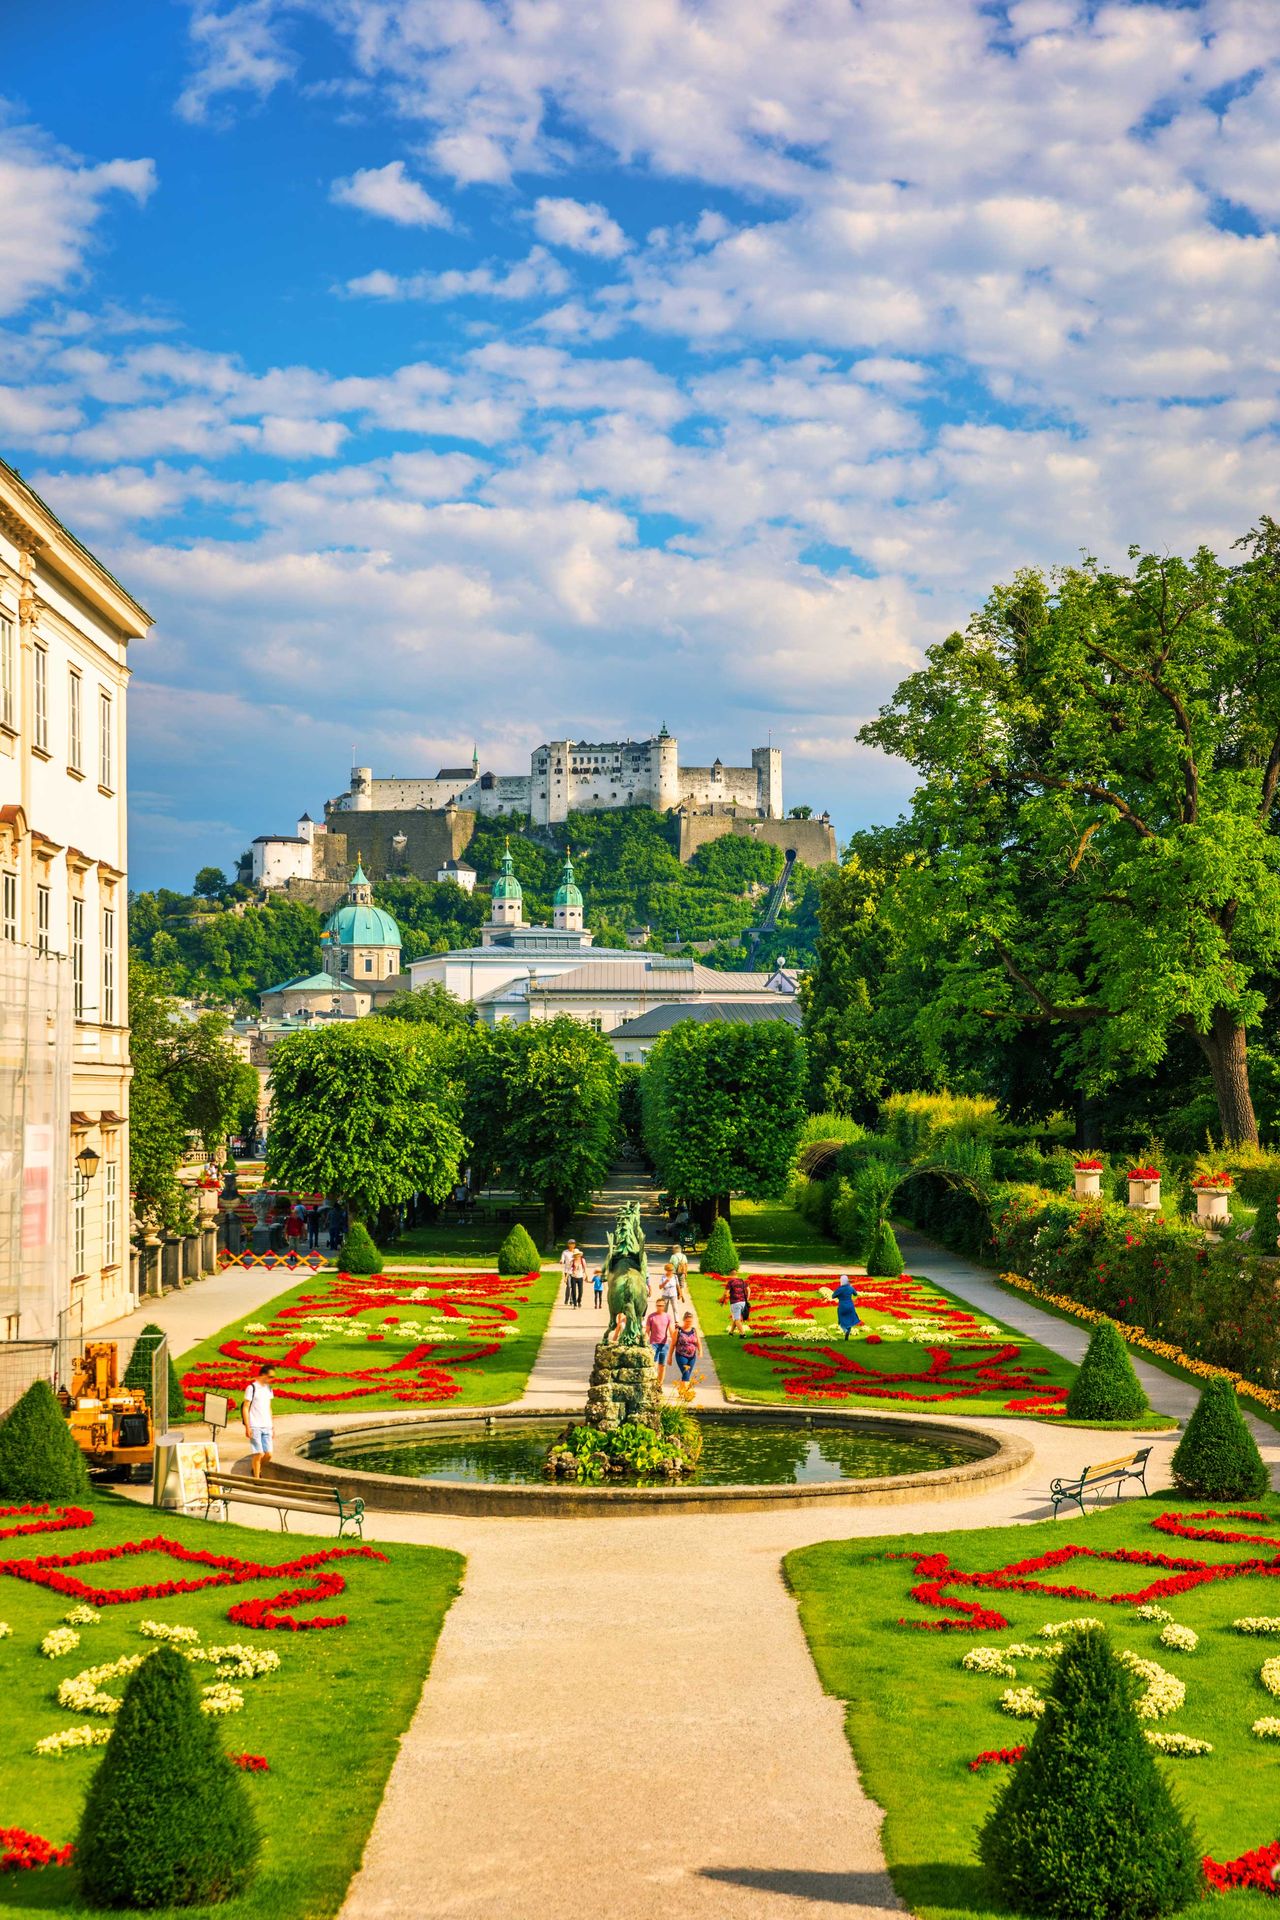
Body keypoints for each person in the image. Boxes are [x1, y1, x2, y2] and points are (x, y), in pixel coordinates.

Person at [242, 1363, 277, 1480]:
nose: (273, 1379)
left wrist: (272, 1426)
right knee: (259, 1453)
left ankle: (256, 1467)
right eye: (270, 1376)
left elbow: (269, 1408)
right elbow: (245, 1407)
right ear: (263, 1375)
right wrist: (248, 1427)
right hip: (255, 1426)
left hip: (266, 1425)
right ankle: (257, 1479)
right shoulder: (251, 1388)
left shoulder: (269, 1389)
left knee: (269, 1454)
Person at [646, 1299, 673, 1379]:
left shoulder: (668, 1317)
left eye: (661, 1306)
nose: (659, 1307)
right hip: (654, 1344)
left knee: (662, 1366)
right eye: (658, 1305)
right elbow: (647, 1331)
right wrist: (644, 1340)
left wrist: (675, 1340)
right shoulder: (651, 1317)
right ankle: (653, 1383)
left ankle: (660, 1385)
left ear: (664, 1306)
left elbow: (671, 1330)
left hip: (664, 1345)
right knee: (653, 1365)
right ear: (656, 1306)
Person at [673, 1313, 701, 1384]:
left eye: (690, 1322)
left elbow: (698, 1341)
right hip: (681, 1355)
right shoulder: (678, 1331)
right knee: (686, 1373)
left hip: (692, 1356)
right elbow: (673, 1344)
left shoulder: (694, 1330)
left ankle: (682, 1392)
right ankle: (685, 1393)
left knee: (686, 1375)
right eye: (687, 1321)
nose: (689, 1323)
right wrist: (669, 1357)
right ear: (683, 1320)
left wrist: (700, 1351)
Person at [720, 1270, 750, 1334]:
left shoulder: (731, 1282)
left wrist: (722, 1300)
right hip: (743, 1302)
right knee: (736, 1317)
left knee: (737, 1319)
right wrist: (747, 1298)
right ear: (737, 1274)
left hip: (735, 1302)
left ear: (730, 1275)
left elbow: (726, 1294)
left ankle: (742, 1334)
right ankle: (731, 1332)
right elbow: (748, 1289)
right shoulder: (742, 1281)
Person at [833, 1273, 861, 1341]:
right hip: (850, 1306)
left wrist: (839, 1295)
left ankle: (845, 1330)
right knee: (850, 1321)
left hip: (842, 1306)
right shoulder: (850, 1288)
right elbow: (855, 1294)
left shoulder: (840, 1289)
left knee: (841, 1320)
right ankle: (847, 1334)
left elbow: (833, 1296)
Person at [561, 1239, 579, 1306]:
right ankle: (566, 1299)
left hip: (574, 1271)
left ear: (575, 1245)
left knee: (573, 1286)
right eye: (570, 1243)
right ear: (568, 1244)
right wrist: (561, 1261)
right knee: (569, 1285)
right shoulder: (565, 1252)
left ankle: (571, 1300)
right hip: (567, 1271)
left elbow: (579, 1258)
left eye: (573, 1244)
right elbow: (562, 1259)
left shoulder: (576, 1251)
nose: (572, 1245)